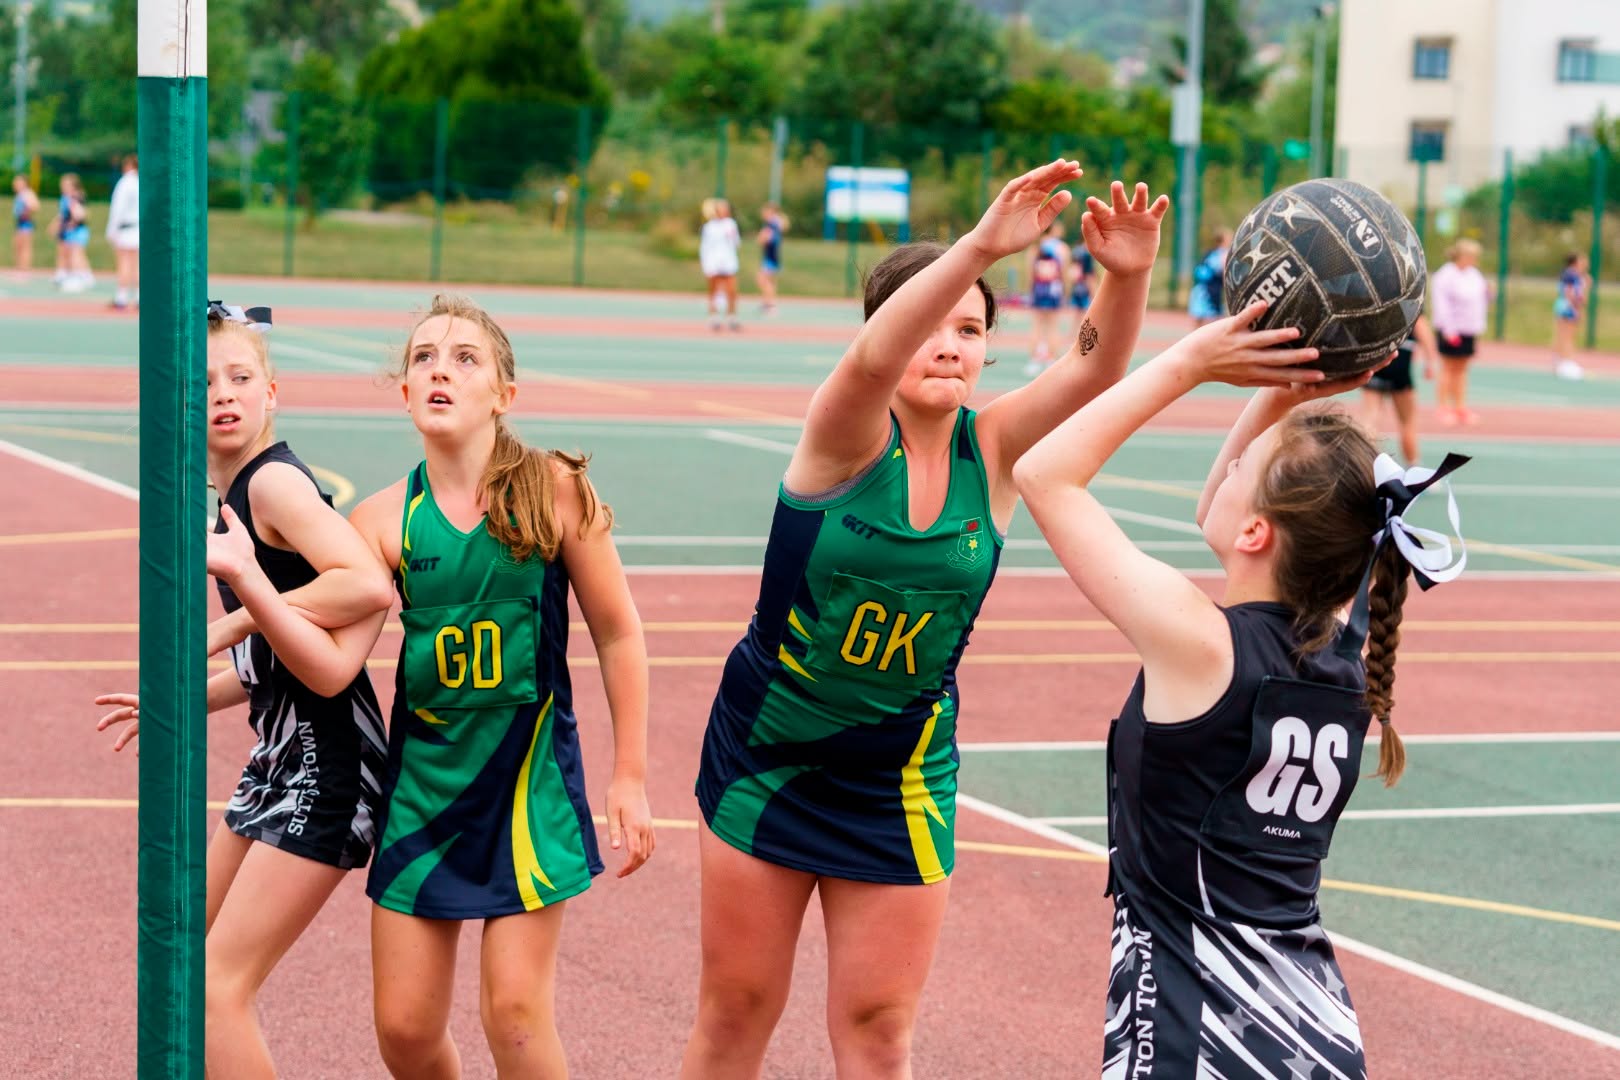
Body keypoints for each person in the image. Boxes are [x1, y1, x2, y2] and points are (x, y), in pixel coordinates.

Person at [681, 164, 1169, 1080]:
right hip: (768, 754)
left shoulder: (994, 449)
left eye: (972, 330)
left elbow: (1097, 366)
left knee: (878, 1031)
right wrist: (980, 247)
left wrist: (1128, 275)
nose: (951, 345)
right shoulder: (843, 434)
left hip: (898, 774)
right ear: (885, 327)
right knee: (736, 1014)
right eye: (931, 324)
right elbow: (872, 361)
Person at [1014, 303, 1468, 1079]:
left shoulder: (1203, 645)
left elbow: (1042, 472)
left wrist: (1192, 362)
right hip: (1315, 1031)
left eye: (1236, 473)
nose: (1223, 470)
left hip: (1194, 1038)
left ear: (1257, 533)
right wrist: (1279, 391)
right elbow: (1226, 518)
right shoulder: (1349, 648)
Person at [341, 294, 655, 1078]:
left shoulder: (552, 492)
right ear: (405, 391)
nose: (440, 368)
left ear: (503, 396)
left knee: (514, 1016)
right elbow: (328, 655)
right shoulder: (381, 522)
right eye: (422, 357)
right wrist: (195, 678)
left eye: (465, 357)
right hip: (423, 796)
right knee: (406, 1030)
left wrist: (631, 774)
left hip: (528, 791)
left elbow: (618, 631)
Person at [95, 302, 395, 1078]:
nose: (223, 393)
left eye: (240, 377)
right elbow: (285, 653)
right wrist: (187, 697)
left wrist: (233, 618)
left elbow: (363, 585)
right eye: (203, 383)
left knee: (215, 988)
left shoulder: (274, 489)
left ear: (272, 392)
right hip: (281, 758)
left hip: (328, 768)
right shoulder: (239, 496)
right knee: (185, 964)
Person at [1362, 313, 1438, 464]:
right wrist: (1430, 362)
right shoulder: (1410, 302)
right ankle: (1414, 465)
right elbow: (1423, 330)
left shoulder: (1377, 303)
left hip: (1378, 360)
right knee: (1407, 421)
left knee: (1371, 417)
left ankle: (1365, 462)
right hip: (1399, 363)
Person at [1430, 238, 1490, 424]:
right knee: (1448, 367)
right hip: (1451, 328)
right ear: (1460, 255)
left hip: (1468, 329)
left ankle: (1460, 407)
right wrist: (1448, 329)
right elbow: (1441, 304)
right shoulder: (1445, 275)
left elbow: (1481, 300)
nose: (1473, 260)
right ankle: (1442, 407)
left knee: (1462, 369)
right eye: (1470, 256)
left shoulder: (1475, 275)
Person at [1024, 220, 1072, 375]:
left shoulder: (1036, 247)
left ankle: (1034, 361)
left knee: (1037, 325)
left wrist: (1031, 291)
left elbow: (1030, 273)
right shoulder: (1062, 248)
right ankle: (1051, 360)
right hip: (1053, 289)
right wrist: (1066, 291)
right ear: (1054, 229)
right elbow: (1064, 273)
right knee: (1053, 326)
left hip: (1039, 289)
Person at [701, 197, 743, 332]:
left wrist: (731, 235)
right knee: (714, 291)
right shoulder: (709, 227)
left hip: (728, 262)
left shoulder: (731, 224)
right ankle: (714, 317)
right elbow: (705, 246)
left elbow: (737, 243)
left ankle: (732, 317)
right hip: (713, 262)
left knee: (732, 291)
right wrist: (706, 264)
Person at [107, 155, 140, 310]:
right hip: (139, 228)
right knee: (137, 265)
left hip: (126, 229)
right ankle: (140, 297)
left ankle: (122, 297)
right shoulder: (142, 182)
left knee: (124, 263)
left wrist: (112, 230)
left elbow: (117, 208)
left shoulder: (125, 183)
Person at [52, 173, 93, 292]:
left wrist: (72, 222)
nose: (63, 186)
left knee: (77, 254)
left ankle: (81, 277)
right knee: (68, 253)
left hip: (77, 231)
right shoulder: (65, 198)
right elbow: (62, 215)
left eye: (66, 184)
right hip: (69, 231)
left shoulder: (76, 197)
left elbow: (81, 214)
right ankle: (69, 275)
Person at [1552, 252, 1589, 380]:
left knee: (1563, 335)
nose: (1585, 262)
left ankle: (1559, 362)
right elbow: (1570, 292)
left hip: (1565, 306)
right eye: (1583, 260)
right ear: (1576, 261)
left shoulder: (1570, 274)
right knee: (1568, 335)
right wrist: (1576, 306)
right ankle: (1567, 363)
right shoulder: (1572, 274)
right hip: (1568, 307)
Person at [1188, 228, 1231, 327]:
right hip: (1210, 290)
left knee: (1199, 319)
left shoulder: (1209, 252)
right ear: (1223, 240)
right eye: (1229, 238)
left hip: (1200, 289)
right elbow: (1225, 274)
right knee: (1215, 321)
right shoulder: (1224, 254)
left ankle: (1196, 340)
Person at [757, 203, 789, 316]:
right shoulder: (775, 223)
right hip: (771, 256)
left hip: (771, 257)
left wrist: (761, 238)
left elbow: (764, 239)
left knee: (763, 280)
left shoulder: (772, 224)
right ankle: (768, 303)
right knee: (769, 281)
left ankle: (770, 304)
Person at [1069, 230, 1097, 336]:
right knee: (1087, 313)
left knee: (1077, 313)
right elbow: (1089, 273)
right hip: (1085, 286)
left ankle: (1073, 334)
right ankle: (1082, 336)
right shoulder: (1087, 252)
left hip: (1077, 285)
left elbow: (1072, 270)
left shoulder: (1076, 250)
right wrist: (1093, 290)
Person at [12, 175, 39, 276]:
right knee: (17, 245)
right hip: (19, 223)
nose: (15, 184)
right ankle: (19, 267)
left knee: (25, 246)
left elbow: (35, 205)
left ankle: (25, 269)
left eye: (18, 182)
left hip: (26, 224)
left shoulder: (27, 193)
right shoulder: (20, 194)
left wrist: (26, 212)